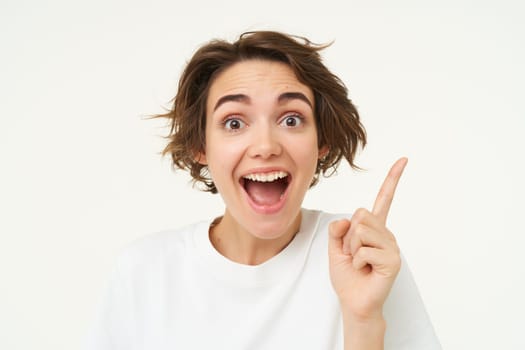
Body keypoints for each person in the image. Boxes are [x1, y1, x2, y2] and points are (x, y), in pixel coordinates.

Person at [86, 31, 441, 349]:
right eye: (234, 122)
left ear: (322, 142)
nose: (266, 145)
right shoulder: (145, 270)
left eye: (291, 119)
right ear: (201, 146)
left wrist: (363, 322)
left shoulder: (362, 254)